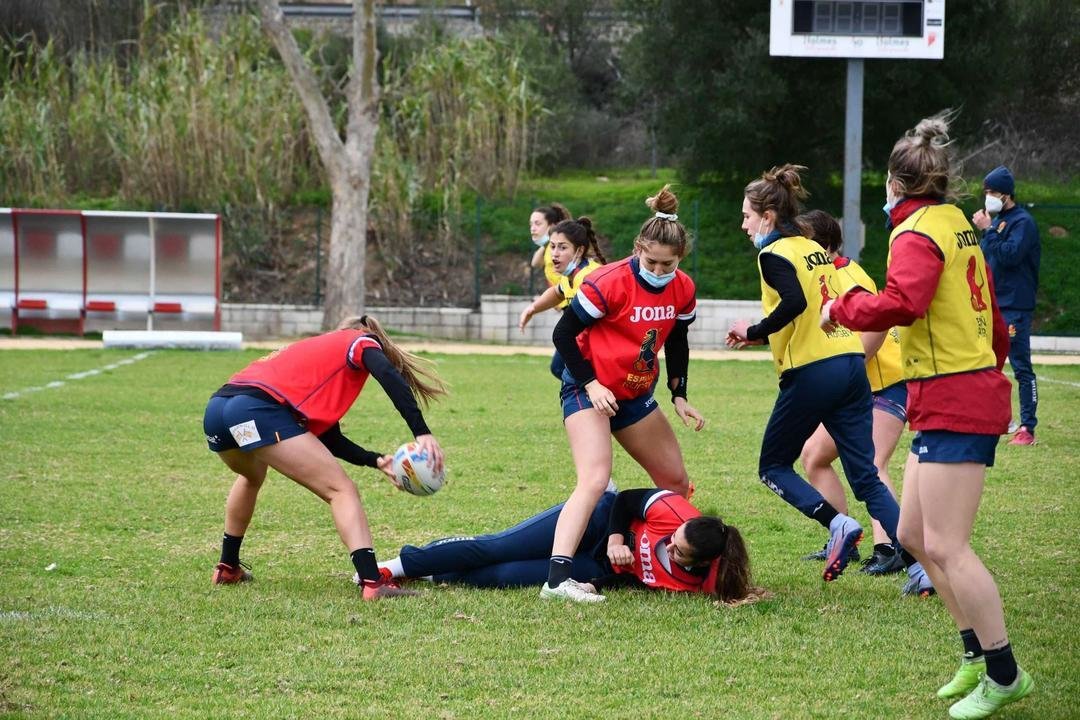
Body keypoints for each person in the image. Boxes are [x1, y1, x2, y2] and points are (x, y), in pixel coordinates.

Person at [823, 113, 1033, 719]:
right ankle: (973, 654)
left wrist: (844, 305)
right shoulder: (957, 225)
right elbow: (989, 316)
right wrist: (987, 368)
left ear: (895, 183)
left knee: (947, 544)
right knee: (913, 536)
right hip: (948, 389)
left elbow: (904, 303)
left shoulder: (916, 232)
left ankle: (1004, 671)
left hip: (953, 394)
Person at [726, 164, 929, 593]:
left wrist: (753, 331)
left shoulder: (772, 254)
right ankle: (919, 568)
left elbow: (796, 303)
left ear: (766, 215)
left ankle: (838, 524)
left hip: (813, 371)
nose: (742, 224)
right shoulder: (813, 249)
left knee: (773, 466)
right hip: (851, 364)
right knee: (867, 477)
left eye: (746, 215)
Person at [202, 315, 447, 600]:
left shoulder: (317, 352)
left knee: (252, 475)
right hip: (255, 410)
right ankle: (372, 582)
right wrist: (422, 432)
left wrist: (376, 459)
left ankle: (227, 567)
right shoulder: (360, 342)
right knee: (342, 490)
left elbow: (330, 439)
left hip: (218, 410)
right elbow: (389, 376)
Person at [541, 185, 706, 603]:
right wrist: (592, 384)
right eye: (651, 261)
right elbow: (564, 333)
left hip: (633, 394)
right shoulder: (609, 281)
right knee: (595, 478)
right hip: (587, 387)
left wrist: (679, 393)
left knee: (675, 481)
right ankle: (557, 580)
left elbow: (678, 340)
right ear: (637, 249)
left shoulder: (682, 287)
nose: (659, 269)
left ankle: (662, 557)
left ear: (680, 260)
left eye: (668, 264)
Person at [373, 487, 755, 604]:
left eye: (678, 552)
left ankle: (435, 570)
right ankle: (389, 569)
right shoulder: (675, 510)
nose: (669, 546)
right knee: (501, 547)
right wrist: (617, 537)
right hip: (595, 522)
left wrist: (597, 585)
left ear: (701, 562)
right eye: (673, 539)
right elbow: (624, 501)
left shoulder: (698, 583)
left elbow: (641, 583)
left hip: (596, 568)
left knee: (505, 577)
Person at [795, 210, 907, 576]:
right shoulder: (822, 274)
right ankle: (843, 537)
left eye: (806, 242)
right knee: (813, 455)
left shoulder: (848, 276)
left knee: (873, 465)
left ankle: (891, 548)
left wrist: (849, 371)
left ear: (825, 246)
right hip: (856, 389)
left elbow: (878, 323)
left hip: (884, 384)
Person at [972, 165, 1041, 446]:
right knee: (987, 363)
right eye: (986, 192)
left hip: (1015, 305)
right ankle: (998, 419)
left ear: (1006, 194)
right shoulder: (997, 222)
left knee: (1020, 365)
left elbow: (1011, 255)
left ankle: (1027, 427)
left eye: (992, 192)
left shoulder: (1023, 222)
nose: (987, 197)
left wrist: (989, 230)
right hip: (991, 304)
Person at [518, 216, 606, 337]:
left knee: (562, 340)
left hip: (607, 348)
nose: (554, 254)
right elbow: (557, 292)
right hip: (588, 344)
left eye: (563, 247)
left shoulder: (589, 278)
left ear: (579, 251)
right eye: (552, 246)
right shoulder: (569, 277)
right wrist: (532, 309)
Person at [527, 203, 574, 377]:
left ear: (553, 226)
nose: (533, 228)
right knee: (563, 367)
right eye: (531, 224)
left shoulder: (556, 251)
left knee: (559, 367)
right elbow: (534, 263)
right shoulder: (548, 249)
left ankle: (593, 398)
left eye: (538, 224)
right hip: (568, 310)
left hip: (576, 310)